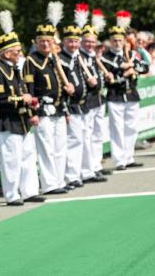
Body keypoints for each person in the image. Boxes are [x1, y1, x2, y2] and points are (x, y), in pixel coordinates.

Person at [0, 10, 44, 206]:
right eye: (17, 51)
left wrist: (30, 111)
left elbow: (24, 93)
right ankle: (12, 194)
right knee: (12, 160)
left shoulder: (14, 68)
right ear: (7, 53)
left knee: (28, 156)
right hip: (7, 121)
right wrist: (22, 99)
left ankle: (29, 191)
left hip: (21, 121)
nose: (20, 54)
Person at [24, 22, 75, 195]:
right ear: (36, 42)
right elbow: (29, 89)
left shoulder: (55, 60)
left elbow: (60, 85)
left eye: (48, 41)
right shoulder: (32, 61)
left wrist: (68, 90)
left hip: (59, 109)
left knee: (60, 147)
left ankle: (59, 180)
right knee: (46, 149)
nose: (45, 44)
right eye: (42, 41)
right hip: (43, 111)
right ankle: (49, 184)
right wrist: (33, 112)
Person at [101, 25, 148, 170]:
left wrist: (134, 68)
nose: (117, 43)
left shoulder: (131, 54)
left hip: (132, 95)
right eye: (114, 40)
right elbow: (109, 79)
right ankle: (119, 160)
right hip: (116, 96)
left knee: (131, 128)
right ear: (110, 41)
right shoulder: (105, 58)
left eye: (120, 40)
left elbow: (145, 67)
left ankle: (129, 157)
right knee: (117, 129)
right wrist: (122, 74)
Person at [59, 25, 95, 189]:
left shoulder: (77, 57)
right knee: (74, 141)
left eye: (75, 41)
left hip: (83, 105)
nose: (73, 45)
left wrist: (91, 83)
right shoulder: (60, 59)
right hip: (70, 106)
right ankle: (72, 175)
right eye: (70, 41)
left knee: (84, 139)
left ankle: (84, 171)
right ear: (64, 42)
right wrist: (66, 89)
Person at [79, 25, 111, 182]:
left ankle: (96, 165)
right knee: (88, 136)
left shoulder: (93, 57)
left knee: (98, 134)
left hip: (99, 99)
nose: (90, 44)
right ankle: (88, 169)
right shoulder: (79, 57)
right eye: (86, 41)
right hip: (88, 101)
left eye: (92, 42)